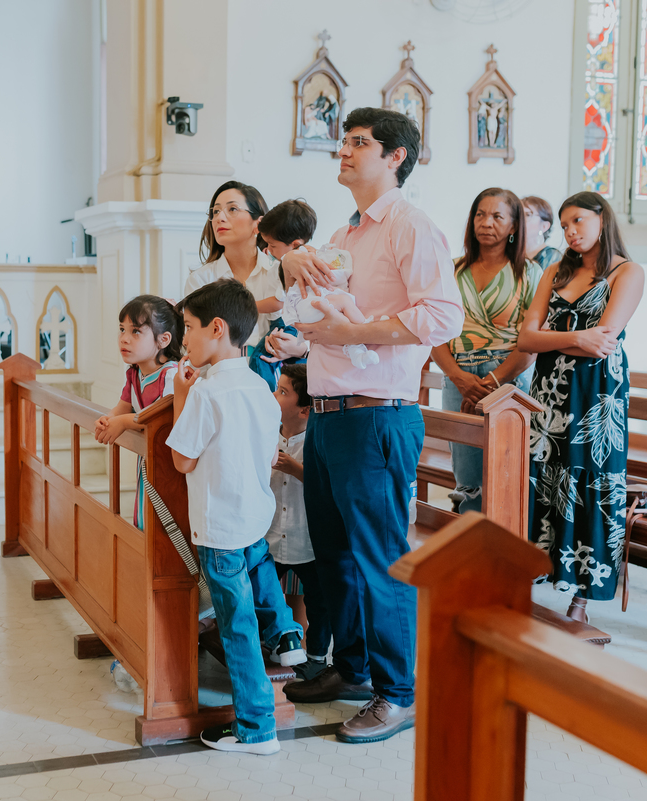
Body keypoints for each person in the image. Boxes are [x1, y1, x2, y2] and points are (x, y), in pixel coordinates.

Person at [277, 107, 464, 744]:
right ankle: (352, 670)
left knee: (380, 557)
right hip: (330, 415)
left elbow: (442, 317)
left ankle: (398, 693)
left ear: (396, 157)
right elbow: (331, 322)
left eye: (360, 144)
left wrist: (351, 332)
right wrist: (300, 336)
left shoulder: (410, 227)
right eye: (343, 142)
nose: (344, 152)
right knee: (336, 556)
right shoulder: (346, 233)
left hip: (377, 416)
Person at [166, 278, 306, 755]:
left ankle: (256, 728)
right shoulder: (261, 386)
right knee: (258, 574)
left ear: (217, 328)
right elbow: (269, 453)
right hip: (253, 516)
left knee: (236, 626)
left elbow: (182, 460)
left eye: (188, 328)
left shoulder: (206, 394)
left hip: (220, 523)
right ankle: (287, 631)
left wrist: (181, 397)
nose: (184, 340)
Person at [518, 191, 645, 625]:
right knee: (544, 478)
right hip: (549, 395)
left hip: (596, 398)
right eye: (565, 224)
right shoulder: (555, 270)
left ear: (601, 219)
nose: (570, 231)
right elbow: (525, 340)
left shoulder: (627, 272)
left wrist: (556, 338)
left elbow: (604, 341)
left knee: (592, 481)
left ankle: (583, 596)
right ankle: (536, 574)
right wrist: (576, 338)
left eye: (578, 221)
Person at [430, 188, 542, 513]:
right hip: (458, 375)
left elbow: (531, 343)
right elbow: (434, 332)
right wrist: (460, 378)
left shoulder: (530, 273)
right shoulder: (452, 270)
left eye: (497, 216)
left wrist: (493, 379)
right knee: (467, 476)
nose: (486, 223)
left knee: (510, 472)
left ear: (513, 227)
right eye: (480, 214)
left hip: (510, 378)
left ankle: (508, 557)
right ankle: (470, 553)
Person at [265, 364, 330, 681]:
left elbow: (327, 485)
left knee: (319, 602)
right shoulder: (267, 434)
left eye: (282, 392)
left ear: (305, 409)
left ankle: (317, 657)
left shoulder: (317, 442)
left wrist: (295, 469)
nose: (274, 396)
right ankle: (273, 641)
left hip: (307, 538)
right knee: (262, 592)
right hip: (272, 535)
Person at [95, 296, 182, 530]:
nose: (124, 338)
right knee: (144, 518)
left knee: (163, 524)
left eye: (135, 332)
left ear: (163, 339)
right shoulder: (134, 373)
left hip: (169, 464)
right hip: (147, 459)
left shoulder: (172, 376)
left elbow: (161, 420)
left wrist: (123, 421)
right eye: (122, 329)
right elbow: (122, 407)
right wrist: (109, 418)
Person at [184, 181, 281, 350]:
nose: (219, 218)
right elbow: (196, 348)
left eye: (232, 209)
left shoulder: (280, 273)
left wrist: (297, 349)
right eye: (215, 211)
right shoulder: (200, 280)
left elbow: (300, 336)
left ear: (258, 224)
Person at [247, 199, 318, 389]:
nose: (268, 250)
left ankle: (267, 397)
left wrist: (248, 306)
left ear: (295, 244)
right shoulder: (305, 257)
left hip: (286, 324)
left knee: (259, 359)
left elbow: (278, 303)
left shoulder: (290, 264)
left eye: (272, 245)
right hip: (297, 326)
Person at [523, 195, 563, 270]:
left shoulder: (553, 257)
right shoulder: (509, 253)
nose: (520, 219)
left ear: (544, 226)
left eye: (528, 215)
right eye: (519, 214)